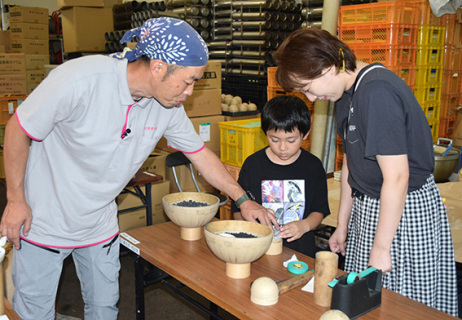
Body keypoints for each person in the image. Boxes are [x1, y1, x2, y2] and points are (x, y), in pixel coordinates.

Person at [0, 17, 276, 320]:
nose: (191, 91)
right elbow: (18, 129)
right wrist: (15, 200)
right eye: (188, 81)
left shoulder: (167, 106)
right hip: (44, 220)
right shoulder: (80, 80)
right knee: (34, 314)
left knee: (104, 309)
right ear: (158, 67)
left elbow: (200, 155)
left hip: (98, 222)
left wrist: (243, 199)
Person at [273, 28, 458, 317]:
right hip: (369, 208)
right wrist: (343, 225)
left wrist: (382, 247)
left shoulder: (376, 92)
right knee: (366, 302)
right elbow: (351, 163)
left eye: (308, 87)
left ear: (329, 66)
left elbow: (397, 177)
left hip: (402, 214)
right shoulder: (347, 93)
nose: (311, 97)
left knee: (404, 306)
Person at [231, 95, 330, 258]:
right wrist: (254, 227)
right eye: (274, 139)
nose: (282, 147)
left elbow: (319, 211)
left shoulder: (313, 166)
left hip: (300, 253)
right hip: (259, 251)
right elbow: (237, 210)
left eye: (291, 140)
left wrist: (304, 225)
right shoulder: (253, 165)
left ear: (305, 134)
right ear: (265, 133)